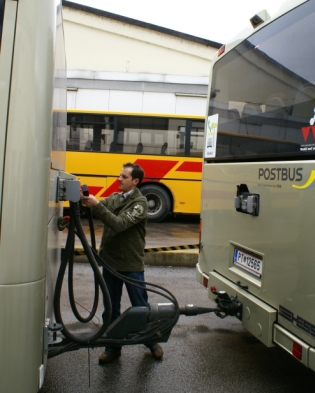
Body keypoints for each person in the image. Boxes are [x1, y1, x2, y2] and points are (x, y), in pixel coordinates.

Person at [82, 162, 163, 363]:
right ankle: (112, 347)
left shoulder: (140, 204)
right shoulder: (115, 198)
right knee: (111, 308)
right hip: (110, 262)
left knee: (140, 306)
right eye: (119, 175)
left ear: (135, 181)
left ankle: (151, 341)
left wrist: (97, 206)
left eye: (124, 177)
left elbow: (118, 224)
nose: (119, 179)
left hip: (131, 264)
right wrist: (84, 202)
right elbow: (98, 209)